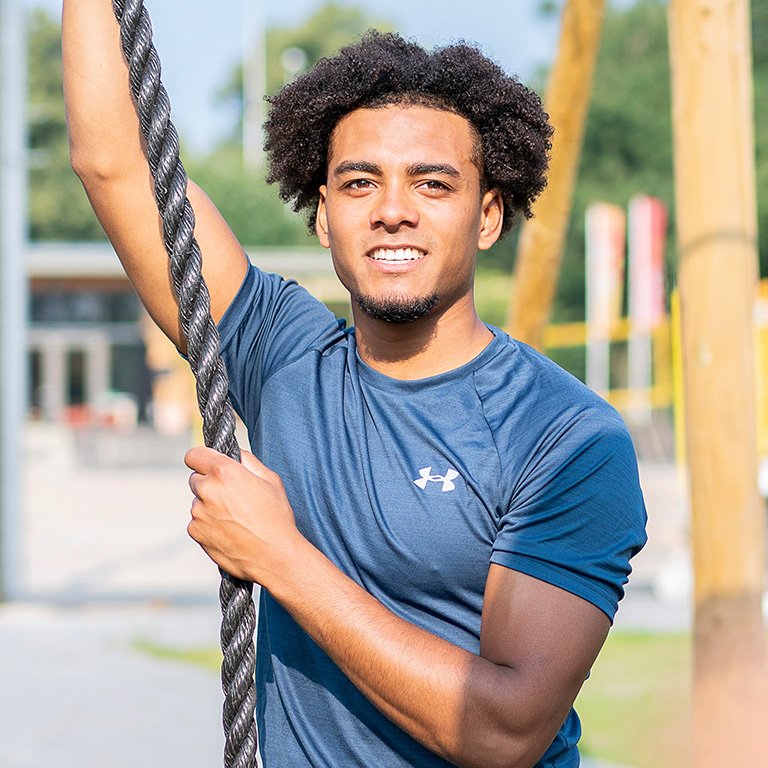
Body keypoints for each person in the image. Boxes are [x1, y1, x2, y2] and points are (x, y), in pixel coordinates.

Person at [63, 5, 647, 766]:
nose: (393, 211)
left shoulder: (567, 439)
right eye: (360, 182)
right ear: (323, 217)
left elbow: (506, 731)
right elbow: (115, 161)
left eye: (433, 184)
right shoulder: (281, 355)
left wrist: (282, 559)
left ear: (488, 215)